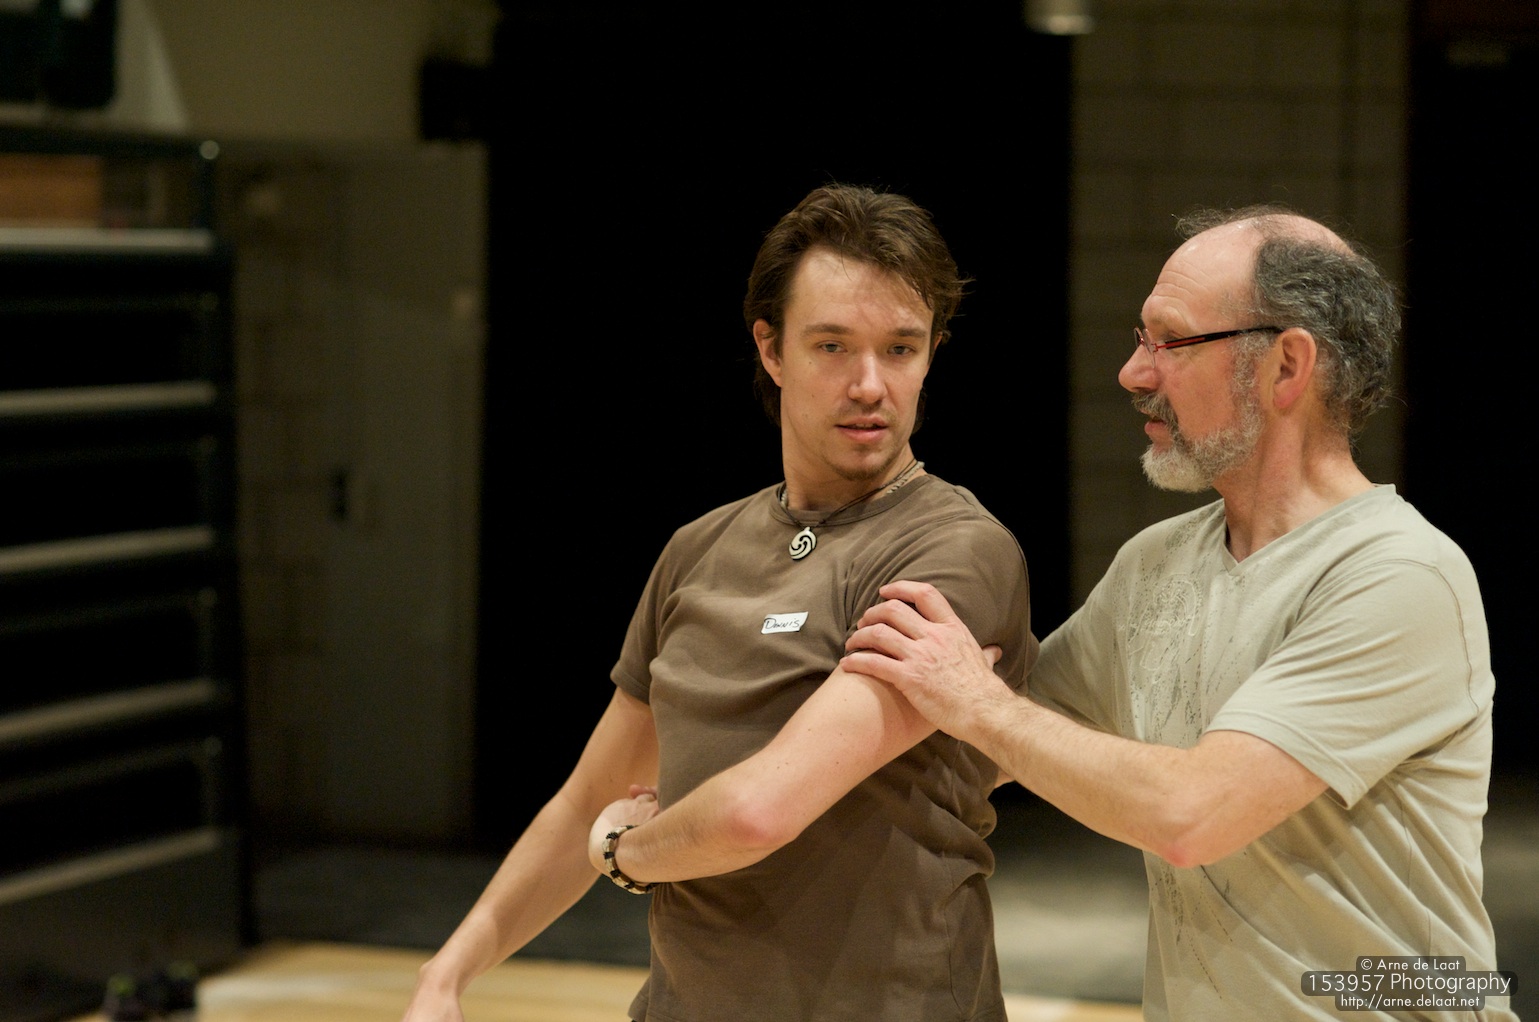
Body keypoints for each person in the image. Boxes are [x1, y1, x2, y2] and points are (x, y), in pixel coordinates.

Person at [845, 206, 1516, 1021]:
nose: (1132, 372)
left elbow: (1189, 816)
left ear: (1285, 366)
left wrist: (977, 703)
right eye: (1141, 338)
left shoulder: (1398, 575)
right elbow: (973, 754)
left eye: (1169, 342)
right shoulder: (1156, 563)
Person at [401, 184, 1034, 1022]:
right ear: (770, 350)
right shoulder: (696, 550)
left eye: (900, 349)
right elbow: (589, 795)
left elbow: (756, 813)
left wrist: (624, 852)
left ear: (931, 355)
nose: (869, 384)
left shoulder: (954, 550)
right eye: (832, 346)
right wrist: (447, 973)